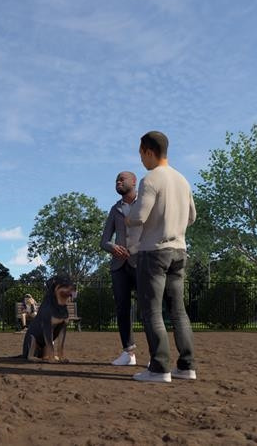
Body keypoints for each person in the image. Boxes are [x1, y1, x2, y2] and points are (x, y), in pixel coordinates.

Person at [126, 131, 197, 383]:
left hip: (154, 251)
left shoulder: (151, 179)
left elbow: (138, 217)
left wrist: (127, 217)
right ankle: (186, 366)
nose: (141, 159)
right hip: (179, 250)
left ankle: (159, 368)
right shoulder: (182, 180)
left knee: (152, 311)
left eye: (140, 154)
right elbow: (192, 216)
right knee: (179, 312)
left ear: (147, 151)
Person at [100, 171, 141, 366]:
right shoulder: (114, 209)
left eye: (121, 179)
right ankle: (128, 353)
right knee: (122, 309)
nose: (118, 182)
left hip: (142, 262)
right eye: (116, 180)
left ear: (133, 182)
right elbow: (104, 240)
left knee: (150, 310)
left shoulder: (145, 203)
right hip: (119, 266)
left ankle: (156, 356)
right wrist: (112, 247)